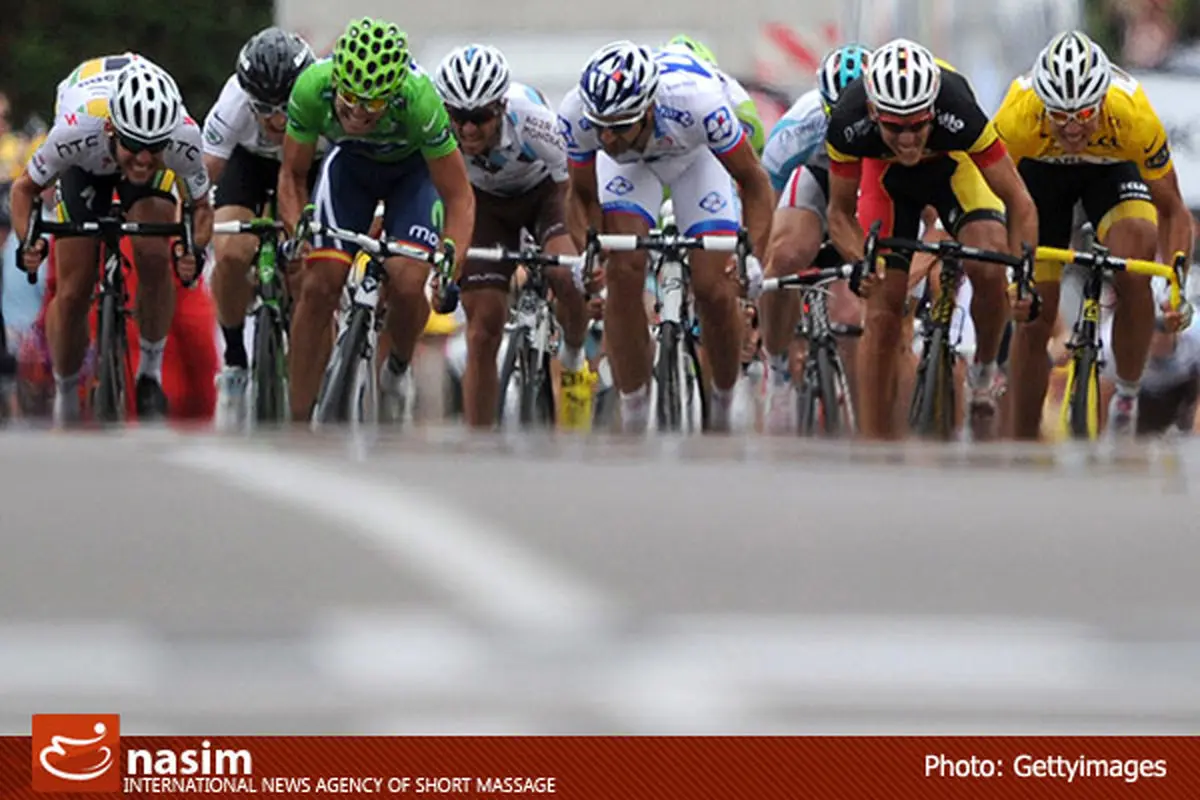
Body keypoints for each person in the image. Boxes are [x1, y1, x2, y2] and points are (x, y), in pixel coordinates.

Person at [824, 38, 1038, 440]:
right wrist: (862, 263)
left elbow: (1018, 200)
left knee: (989, 262)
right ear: (873, 111)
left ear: (933, 111)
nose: (908, 139)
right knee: (884, 307)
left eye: (918, 125)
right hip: (887, 182)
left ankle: (983, 370)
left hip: (952, 168)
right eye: (894, 127)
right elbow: (838, 214)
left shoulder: (957, 106)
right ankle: (873, 441)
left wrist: (1020, 279)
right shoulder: (848, 120)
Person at [559, 41, 774, 433]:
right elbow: (583, 196)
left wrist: (752, 257)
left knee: (714, 285)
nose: (607, 138)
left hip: (696, 159)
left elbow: (754, 182)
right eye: (600, 126)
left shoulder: (700, 102)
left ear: (649, 109)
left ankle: (723, 401)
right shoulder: (578, 114)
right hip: (630, 169)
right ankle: (634, 408)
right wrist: (589, 255)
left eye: (619, 126)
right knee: (623, 271)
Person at [992, 30, 1194, 439]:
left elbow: (1173, 209)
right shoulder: (1016, 116)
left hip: (1111, 170)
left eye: (1084, 114)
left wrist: (1175, 288)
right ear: (1042, 104)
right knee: (1034, 313)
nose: (1072, 129)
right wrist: (1016, 279)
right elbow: (997, 202)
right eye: (1059, 115)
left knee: (1135, 261)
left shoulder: (1133, 113)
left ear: (1102, 101)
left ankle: (1127, 394)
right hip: (1041, 176)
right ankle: (1023, 437)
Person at [280, 17, 475, 423]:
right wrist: (298, 231)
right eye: (349, 100)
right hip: (350, 171)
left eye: (372, 106)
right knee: (319, 285)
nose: (357, 115)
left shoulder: (421, 102)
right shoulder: (312, 87)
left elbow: (459, 197)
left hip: (412, 175)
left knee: (407, 281)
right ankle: (297, 418)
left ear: (394, 94)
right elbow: (293, 175)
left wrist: (450, 263)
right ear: (336, 82)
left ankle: (397, 367)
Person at [9, 56, 212, 424]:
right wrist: (29, 242)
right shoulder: (75, 131)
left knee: (154, 254)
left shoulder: (183, 137)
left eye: (155, 147)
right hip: (86, 163)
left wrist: (191, 249)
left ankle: (149, 373)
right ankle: (67, 390)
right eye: (134, 145)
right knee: (73, 289)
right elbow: (23, 190)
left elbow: (201, 208)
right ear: (111, 130)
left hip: (134, 160)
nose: (144, 158)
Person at [432, 43, 593, 430]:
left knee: (565, 273)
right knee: (482, 328)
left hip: (545, 195)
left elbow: (573, 191)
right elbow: (437, 199)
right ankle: (479, 439)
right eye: (459, 117)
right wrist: (442, 269)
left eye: (480, 117)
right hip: (481, 204)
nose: (468, 129)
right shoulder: (435, 126)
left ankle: (573, 355)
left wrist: (586, 257)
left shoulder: (534, 121)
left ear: (501, 107)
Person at [203, 27, 317, 429]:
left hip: (308, 164)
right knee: (231, 252)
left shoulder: (324, 98)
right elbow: (204, 176)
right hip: (248, 163)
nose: (277, 119)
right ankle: (235, 360)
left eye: (286, 107)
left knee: (308, 268)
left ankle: (308, 365)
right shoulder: (233, 103)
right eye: (264, 109)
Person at [759, 43, 870, 434]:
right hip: (817, 178)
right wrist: (759, 269)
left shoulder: (894, 119)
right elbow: (763, 206)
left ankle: (863, 413)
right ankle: (778, 370)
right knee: (785, 257)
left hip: (868, 184)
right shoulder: (798, 127)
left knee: (851, 313)